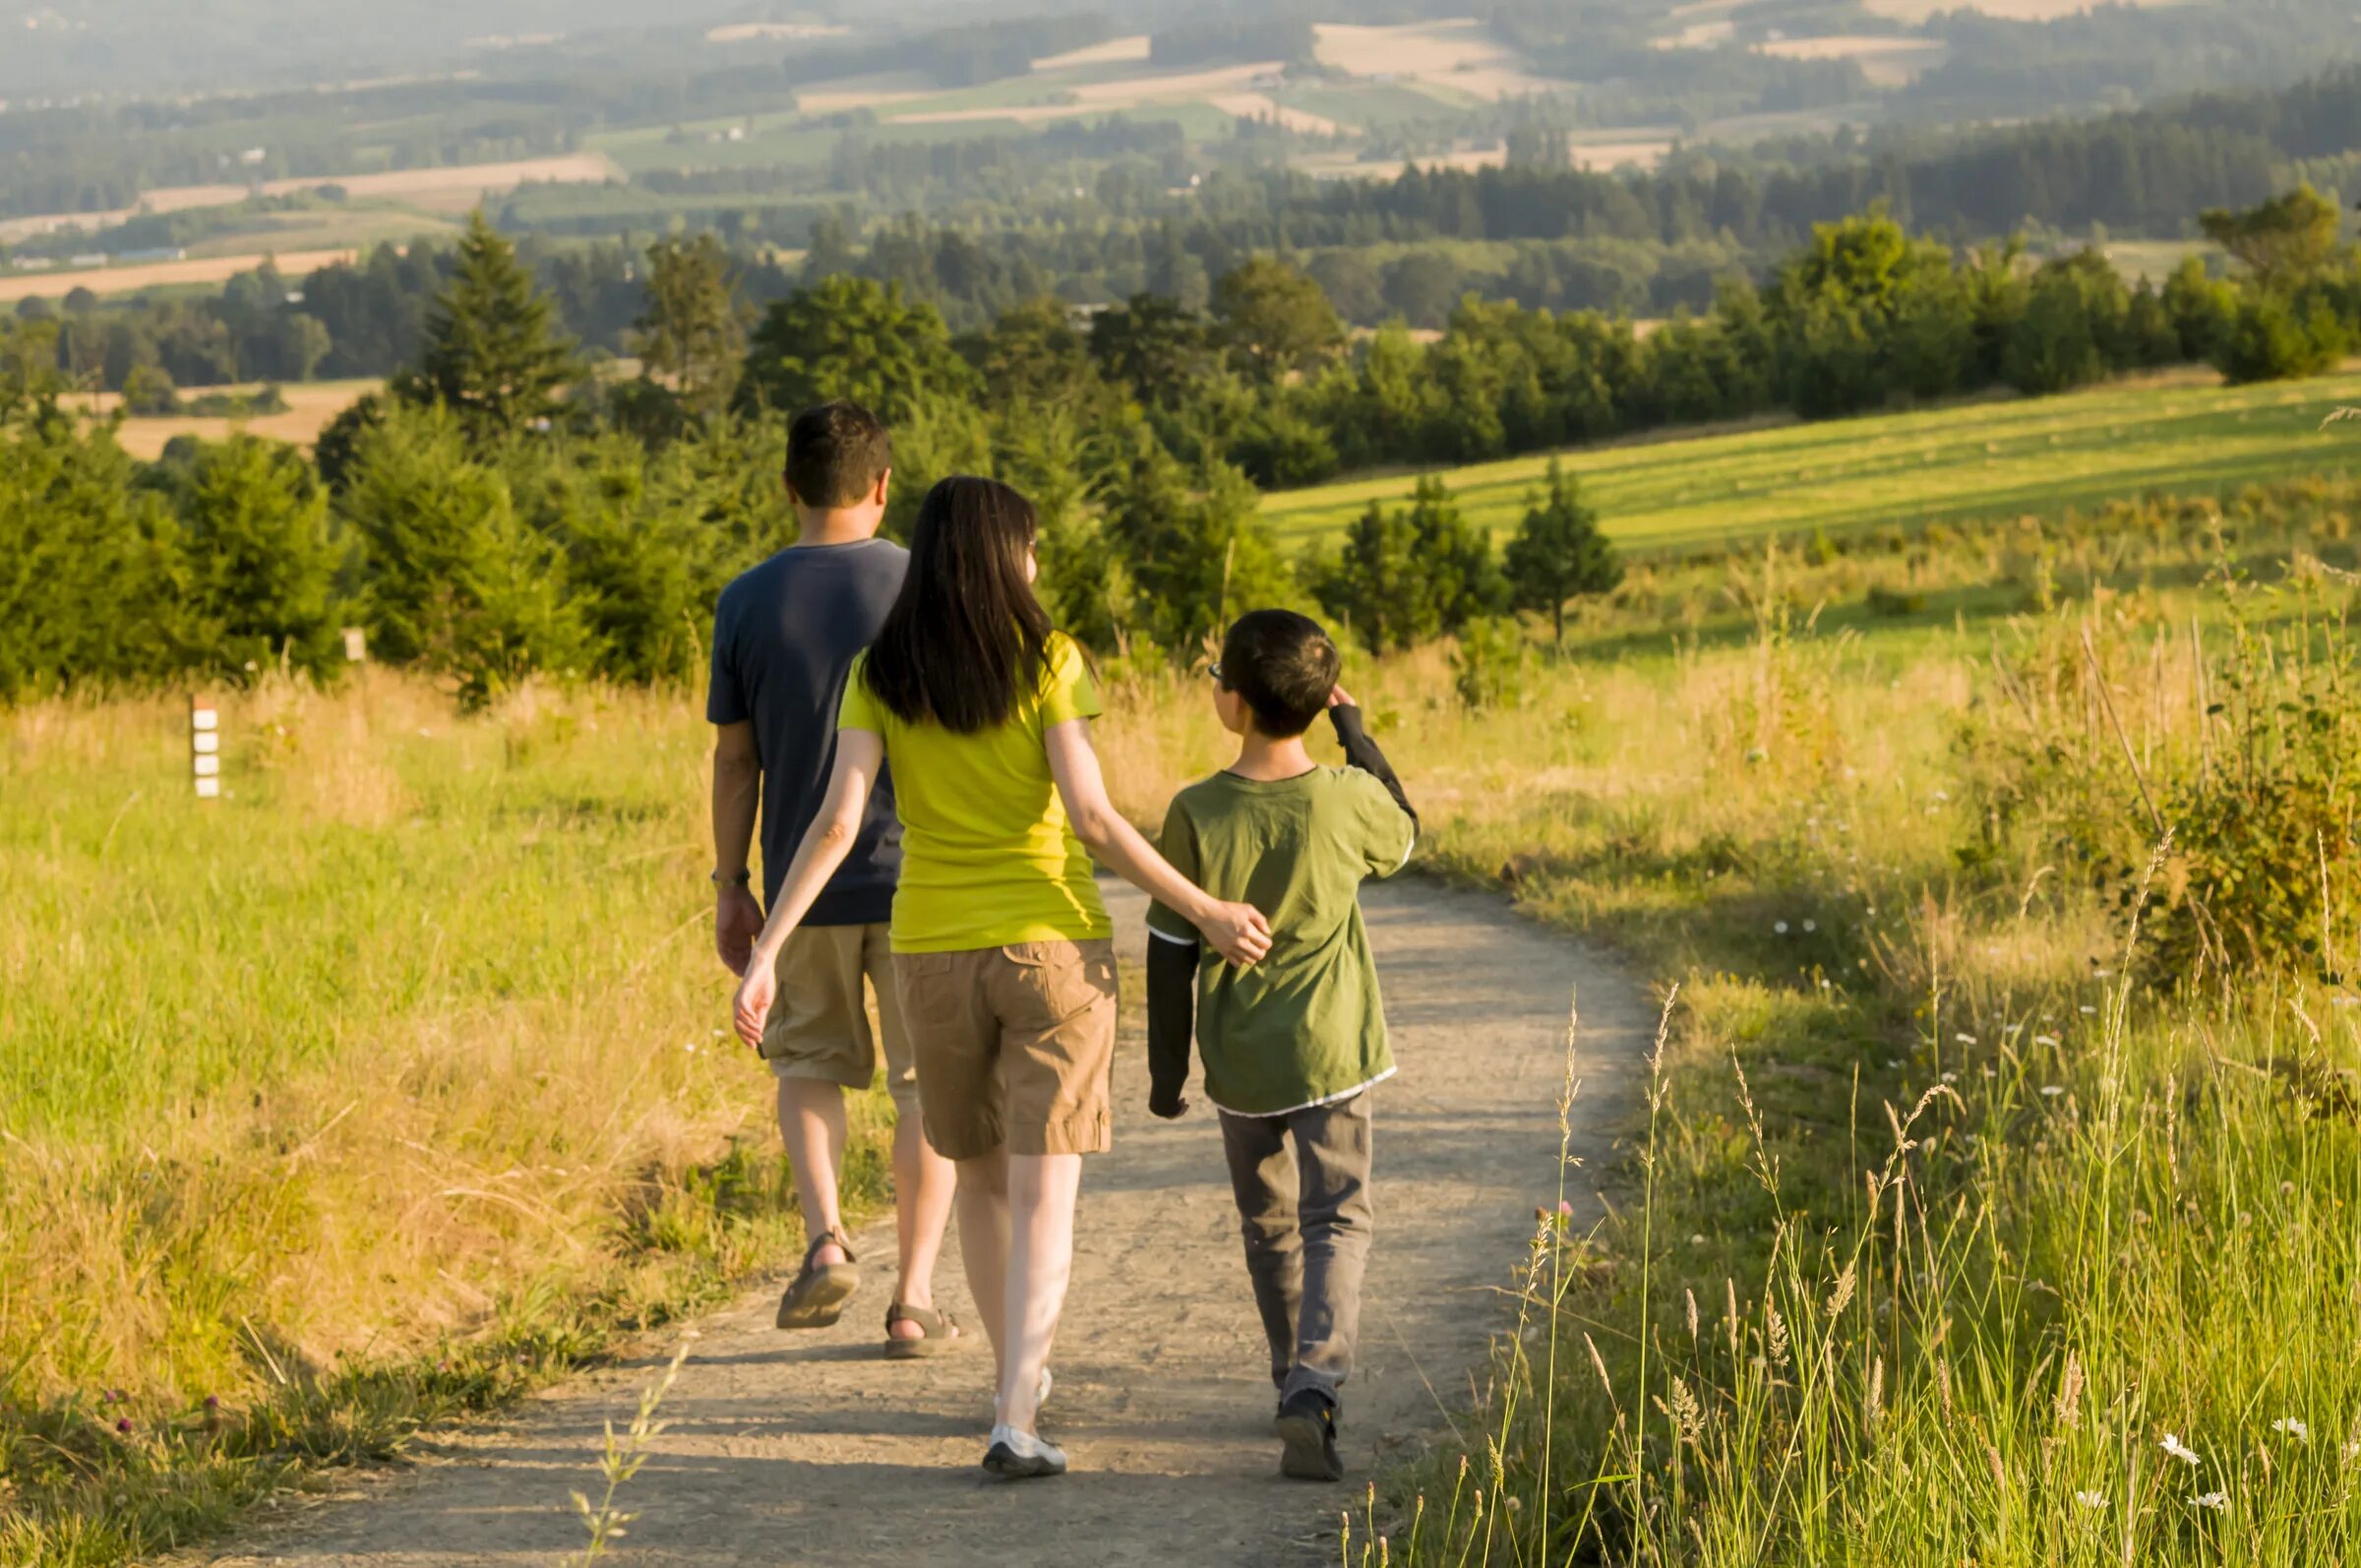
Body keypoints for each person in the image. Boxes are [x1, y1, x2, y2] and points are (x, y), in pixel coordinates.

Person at [730, 475, 1273, 1480]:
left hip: (931, 954)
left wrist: (767, 953)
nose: (1035, 563)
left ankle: (1008, 1385)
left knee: (979, 1179)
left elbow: (839, 822)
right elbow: (1097, 819)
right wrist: (1203, 909)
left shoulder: (879, 669)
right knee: (1045, 1190)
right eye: (1029, 546)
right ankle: (1016, 1411)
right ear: (1002, 556)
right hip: (1050, 953)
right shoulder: (1048, 659)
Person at [708, 401, 962, 1357]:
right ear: (884, 484)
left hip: (800, 885)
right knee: (921, 1087)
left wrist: (734, 881)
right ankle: (916, 1295)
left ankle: (824, 1238)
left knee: (807, 1064)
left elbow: (738, 764)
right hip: (922, 876)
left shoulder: (746, 599)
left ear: (789, 486)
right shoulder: (926, 585)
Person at [1143, 609, 1417, 1483]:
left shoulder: (1195, 811)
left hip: (1239, 1065)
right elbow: (1403, 825)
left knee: (1268, 1228)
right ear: (1315, 701)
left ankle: (1286, 1380)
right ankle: (1316, 1386)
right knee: (1337, 1214)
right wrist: (1356, 731)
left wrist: (1163, 1072)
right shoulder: (1346, 796)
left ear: (1232, 702)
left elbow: (1168, 950)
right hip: (1333, 1052)